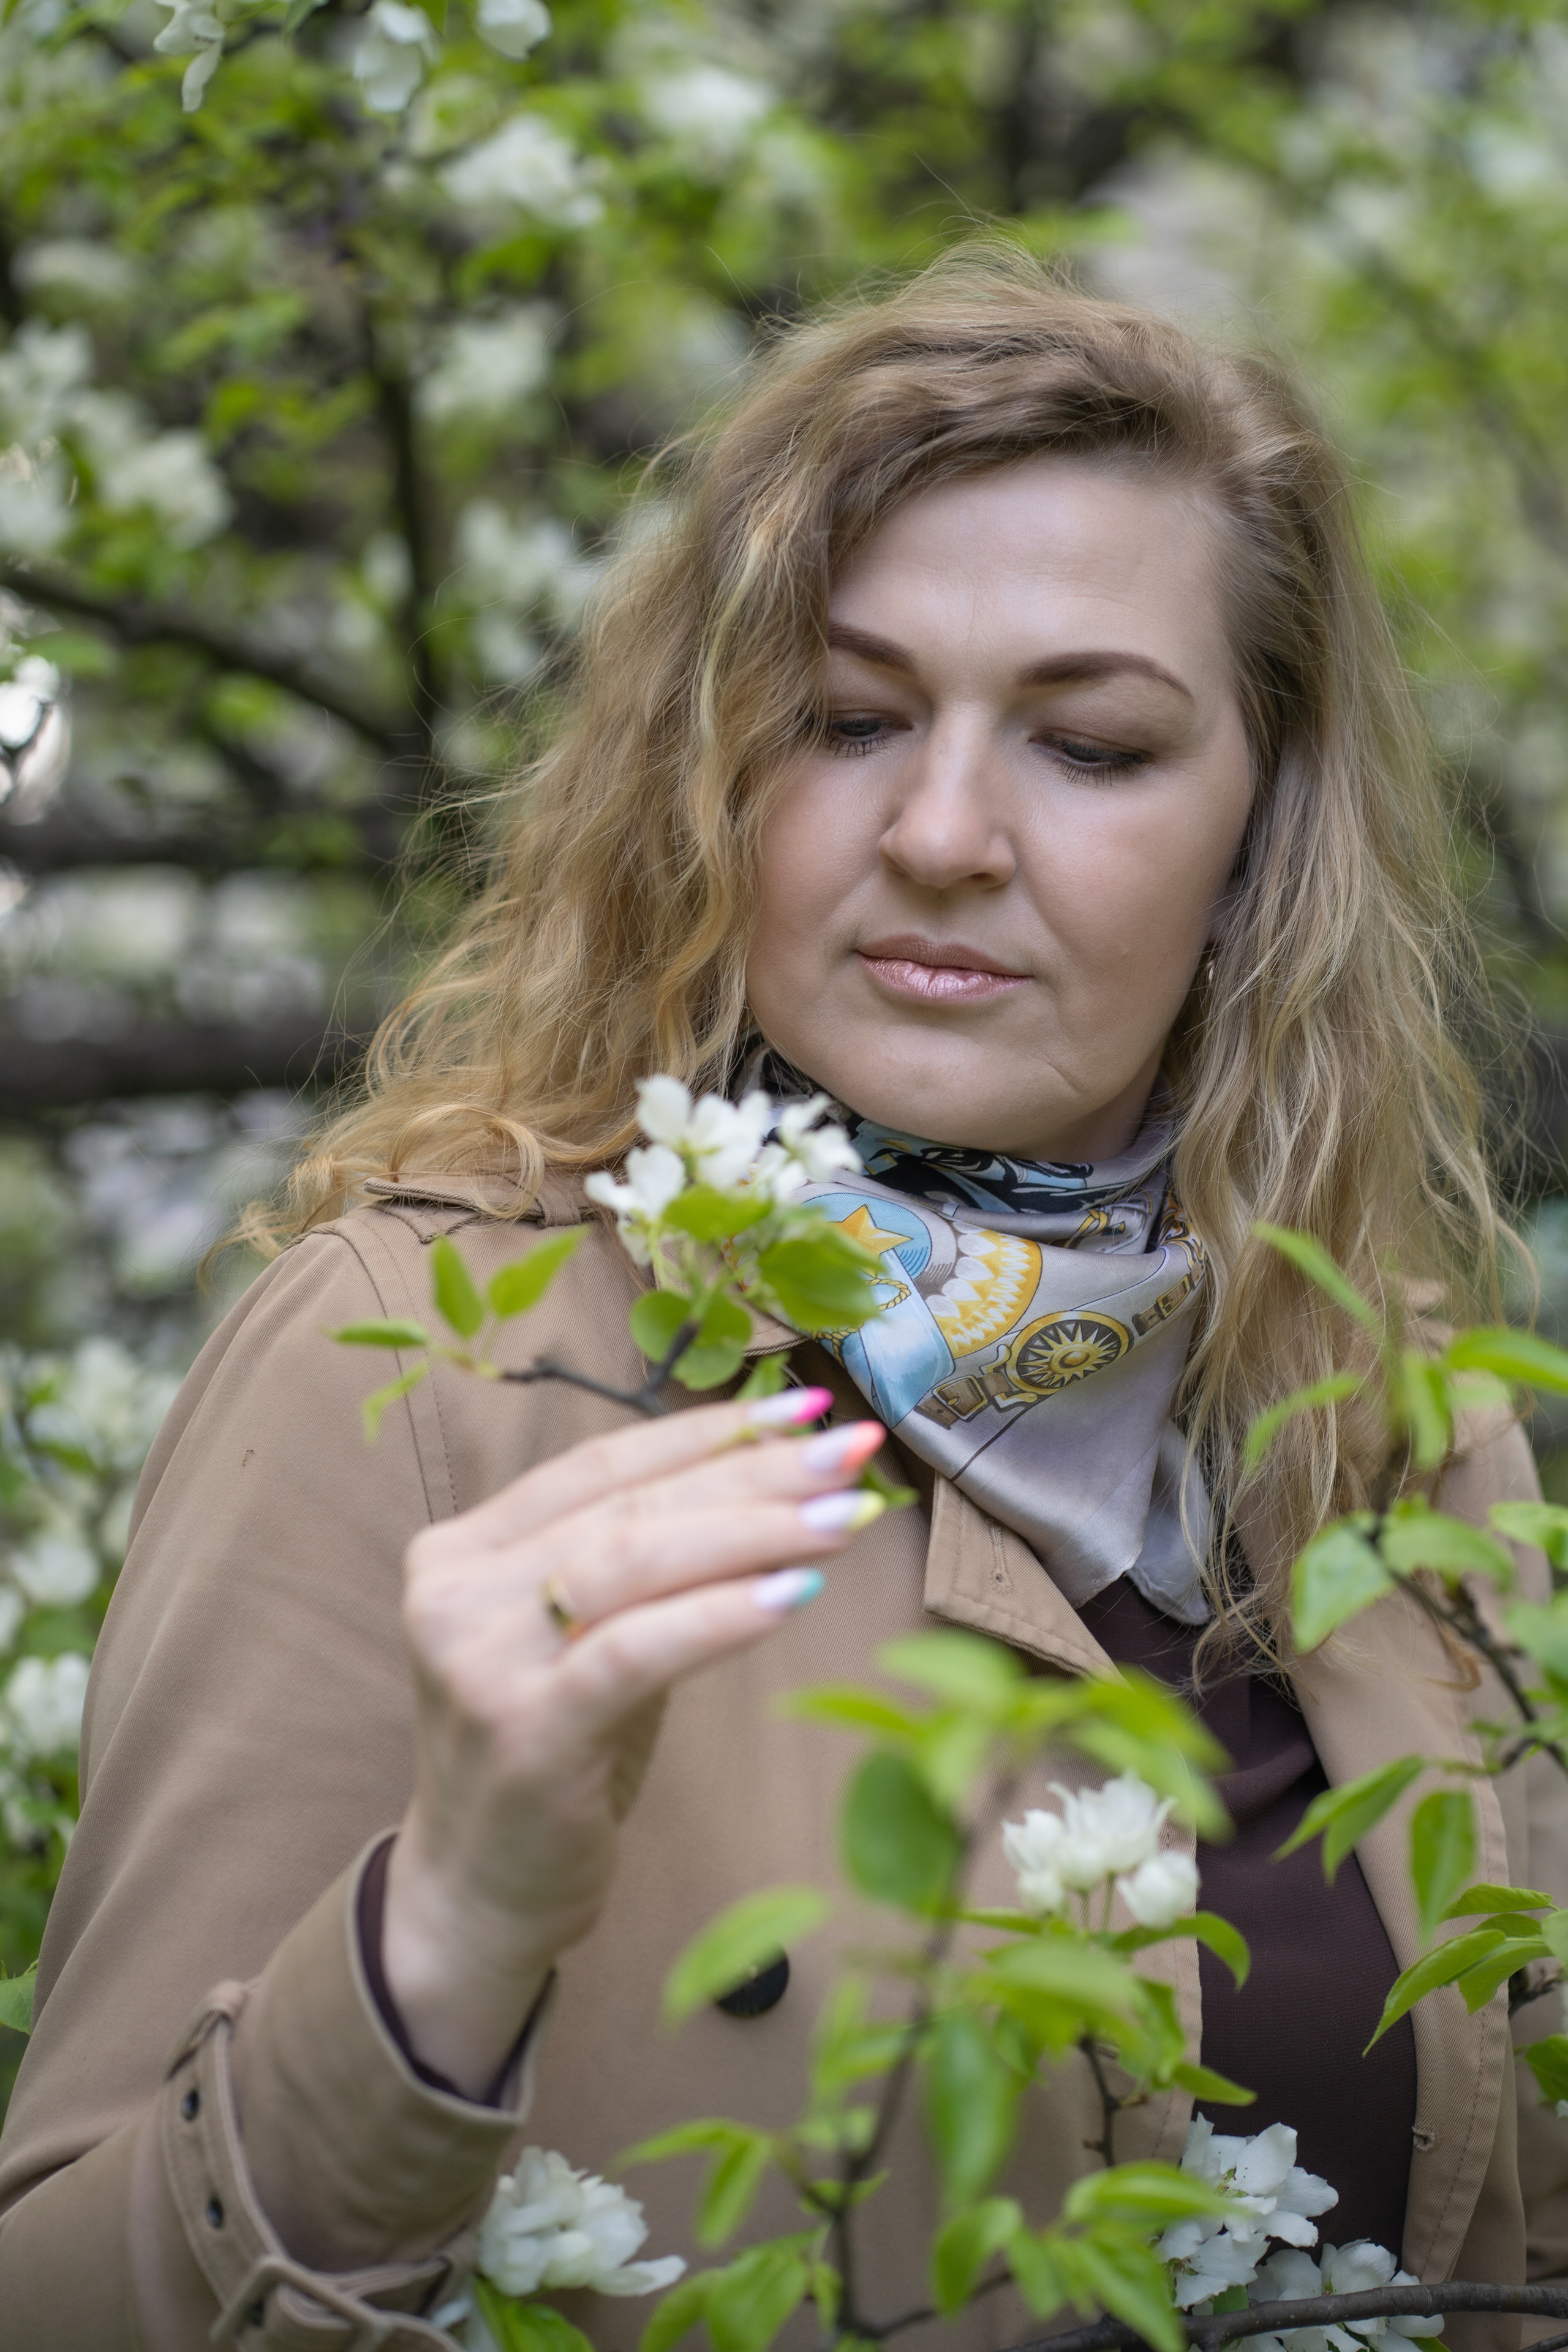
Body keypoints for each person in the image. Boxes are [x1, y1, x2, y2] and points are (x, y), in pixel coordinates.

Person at [0, 244, 1562, 2352]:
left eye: (1090, 747)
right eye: (845, 720)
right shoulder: (441, 1361)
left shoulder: (1376, 1404)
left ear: (1259, 840)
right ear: (711, 765)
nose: (938, 832)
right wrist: (439, 1941)